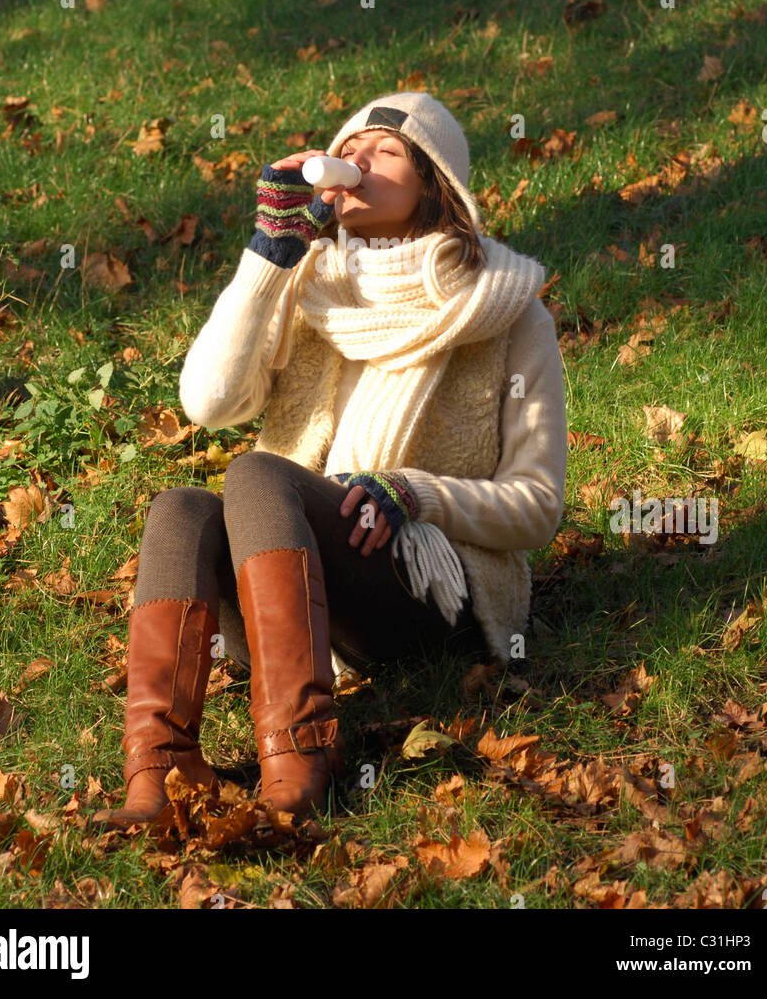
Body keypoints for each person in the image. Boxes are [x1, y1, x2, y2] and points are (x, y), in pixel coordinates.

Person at [92, 91, 568, 829]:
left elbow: (538, 504)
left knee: (255, 473)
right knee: (180, 508)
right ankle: (159, 773)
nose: (354, 160)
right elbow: (207, 402)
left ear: (434, 183)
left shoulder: (506, 313)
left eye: (383, 150)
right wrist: (269, 256)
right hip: (301, 573)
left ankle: (302, 756)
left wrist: (416, 495)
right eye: (349, 146)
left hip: (427, 597)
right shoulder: (305, 283)